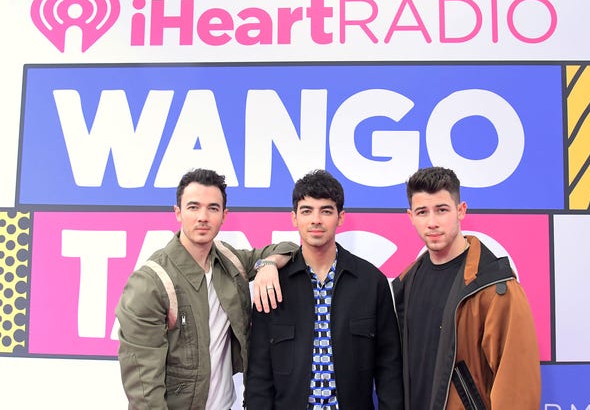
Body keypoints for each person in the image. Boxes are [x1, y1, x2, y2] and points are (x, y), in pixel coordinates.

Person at [116, 168, 297, 409]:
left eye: (212, 208)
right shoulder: (149, 284)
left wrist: (268, 264)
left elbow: (289, 248)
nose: (203, 217)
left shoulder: (230, 261)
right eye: (193, 207)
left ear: (224, 215)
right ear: (178, 213)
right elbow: (144, 393)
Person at [245, 169, 404, 410]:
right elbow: (259, 372)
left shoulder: (371, 282)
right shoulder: (272, 283)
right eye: (306, 211)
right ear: (294, 218)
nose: (316, 220)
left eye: (326, 211)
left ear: (340, 217)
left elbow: (389, 367)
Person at [392, 167, 541, 410]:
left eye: (442, 210)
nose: (432, 223)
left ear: (461, 210)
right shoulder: (406, 283)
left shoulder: (495, 286)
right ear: (410, 217)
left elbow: (517, 384)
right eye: (422, 212)